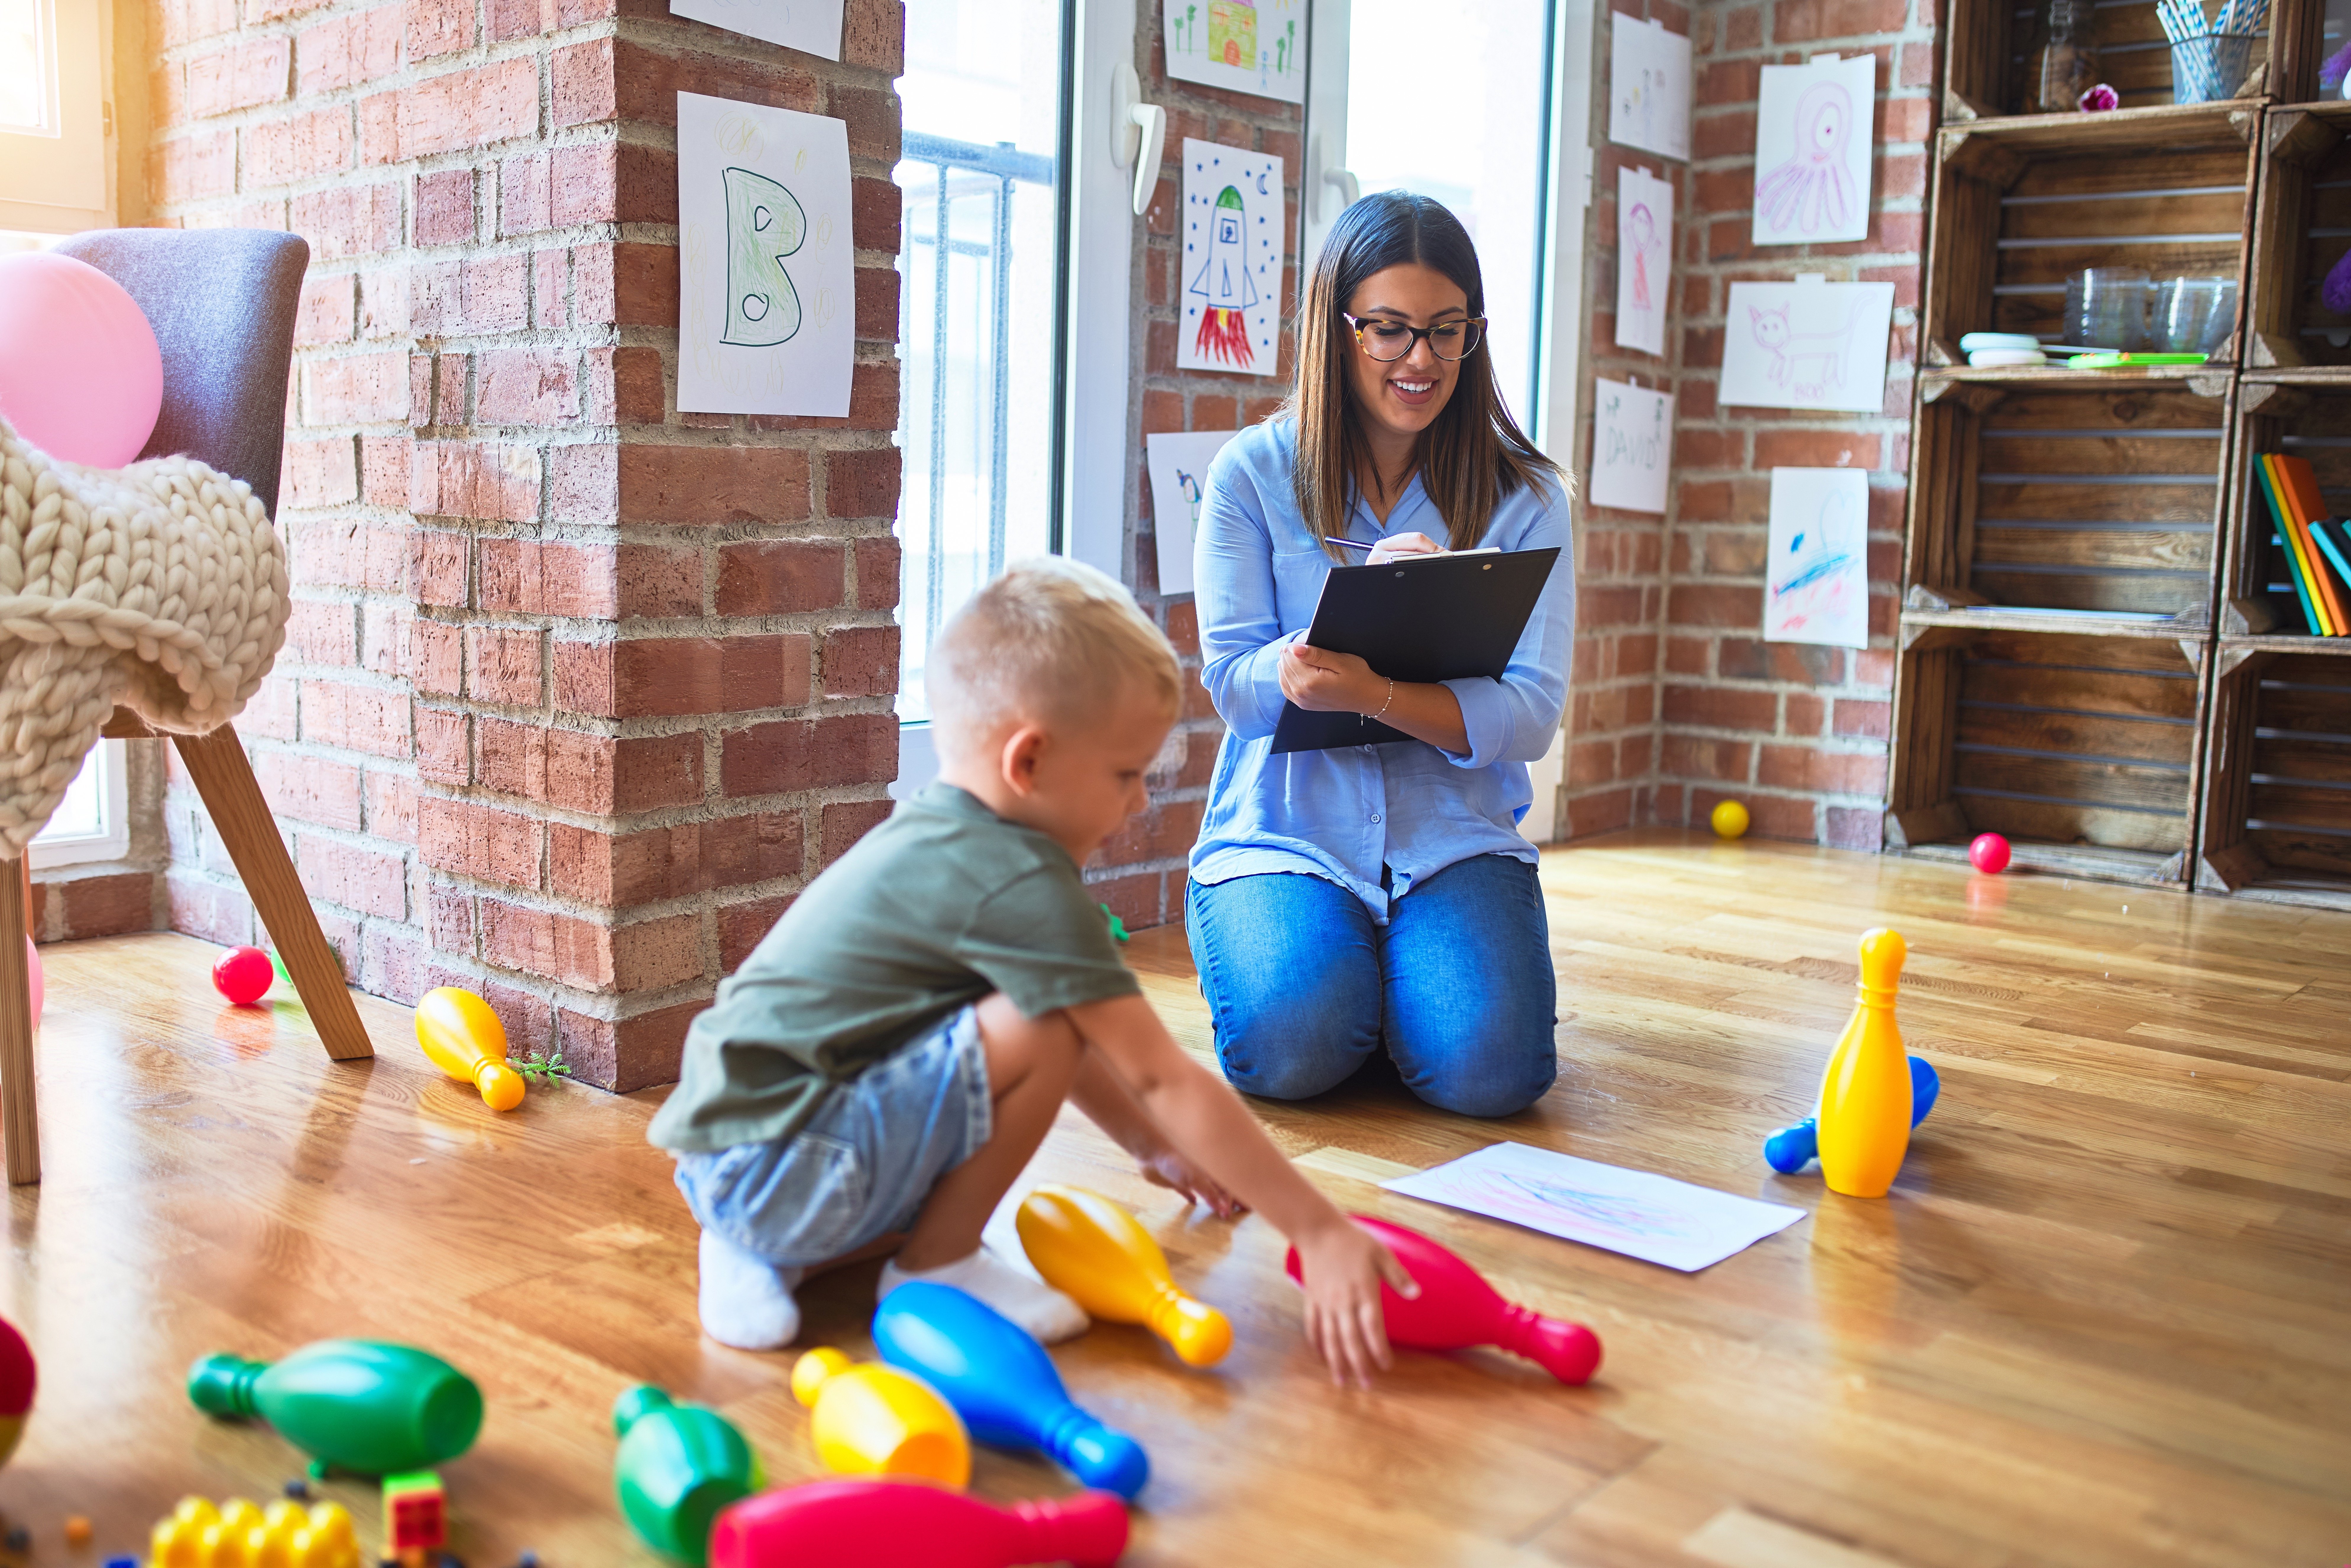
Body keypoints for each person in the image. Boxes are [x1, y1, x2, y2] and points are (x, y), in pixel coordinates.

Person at [647, 558, 1415, 1385]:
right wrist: (1318, 1229)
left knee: (1040, 1010)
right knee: (1044, 1019)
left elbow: (1081, 1047)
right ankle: (933, 1263)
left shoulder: (945, 838)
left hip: (734, 1158)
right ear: (1030, 762)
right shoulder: (1017, 881)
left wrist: (1151, 1152)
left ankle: (763, 1244)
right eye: (1127, 776)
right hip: (778, 1168)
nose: (1139, 806)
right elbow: (1157, 1075)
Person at [1188, 190, 1574, 1119]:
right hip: (1285, 837)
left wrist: (1383, 691)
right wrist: (1321, 644)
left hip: (1452, 839)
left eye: (1448, 332)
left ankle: (1395, 996)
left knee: (1494, 1078)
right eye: (1390, 331)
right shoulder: (1251, 474)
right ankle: (1355, 991)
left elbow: (1530, 712)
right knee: (1289, 1049)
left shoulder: (1525, 496)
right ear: (1337, 326)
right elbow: (1238, 691)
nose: (1422, 360)